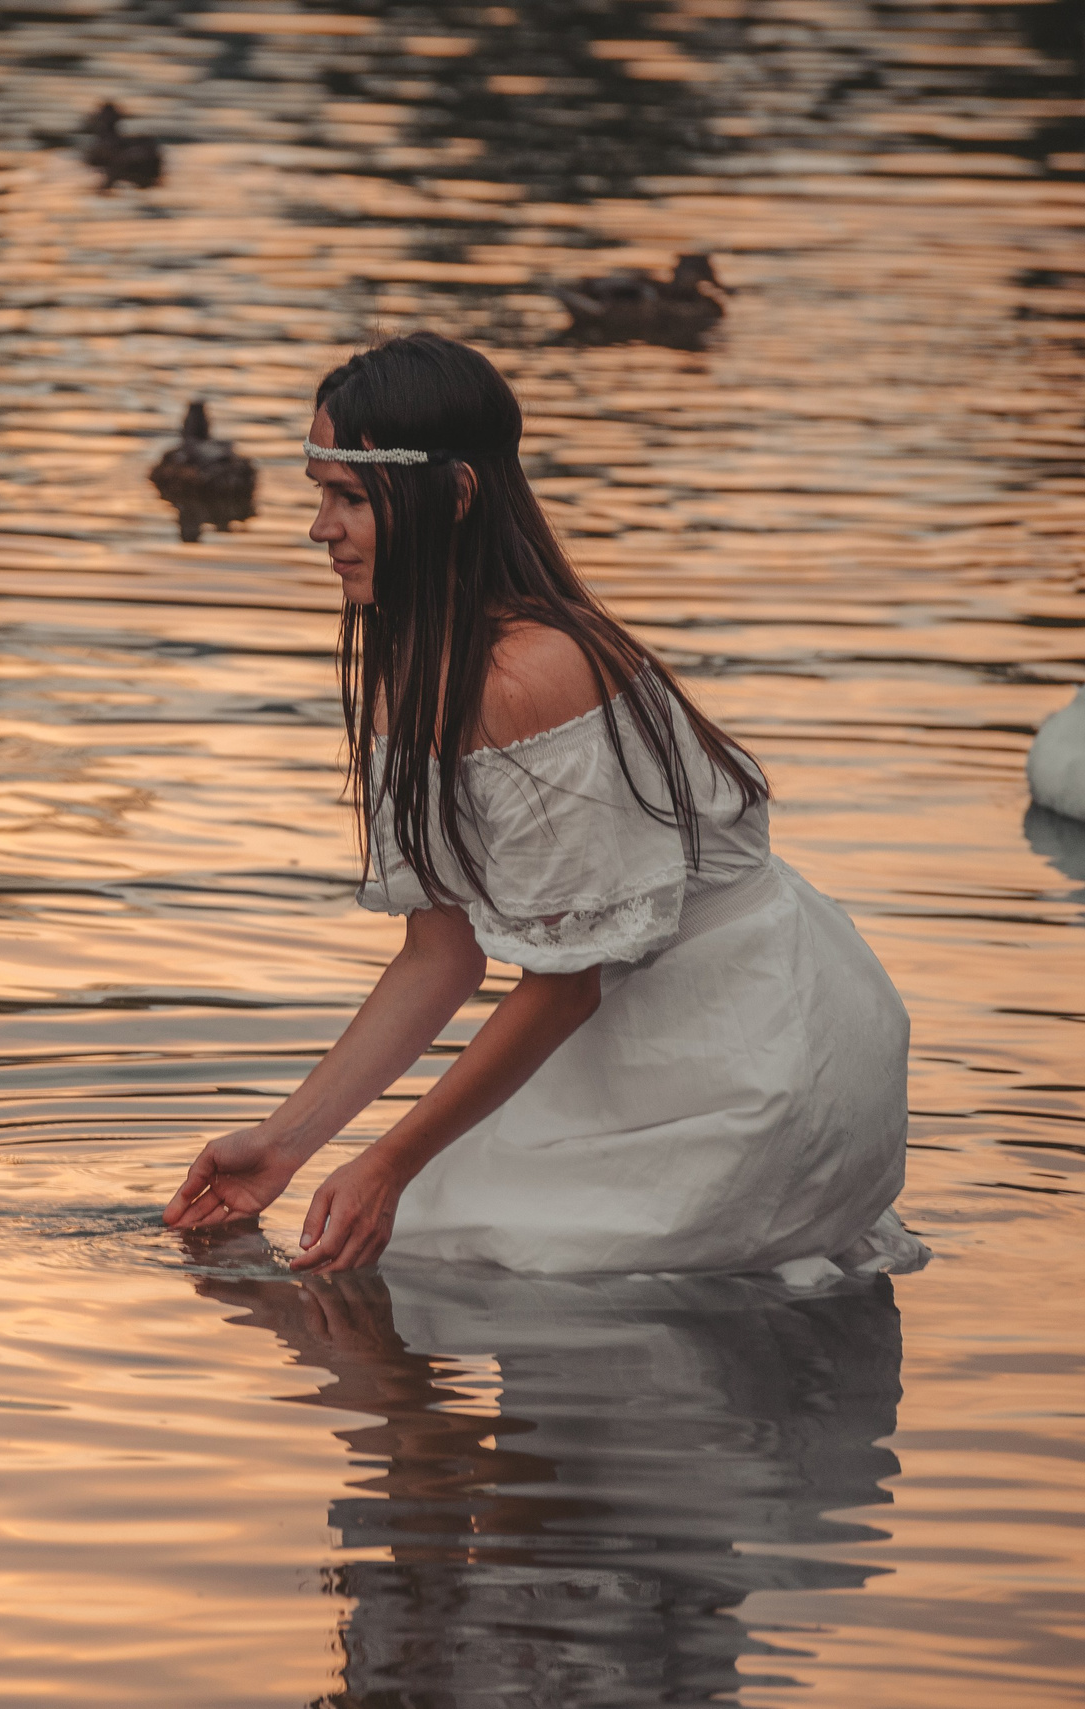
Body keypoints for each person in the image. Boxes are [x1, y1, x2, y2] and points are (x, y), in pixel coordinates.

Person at [163, 332, 925, 1279]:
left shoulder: (532, 675)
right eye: (320, 493)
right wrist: (285, 1144)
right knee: (402, 1245)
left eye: (351, 498)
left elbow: (567, 983)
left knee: (436, 1249)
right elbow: (441, 954)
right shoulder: (414, 666)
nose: (321, 528)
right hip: (638, 1021)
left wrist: (388, 1164)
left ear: (457, 496)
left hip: (751, 1037)